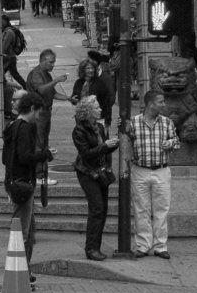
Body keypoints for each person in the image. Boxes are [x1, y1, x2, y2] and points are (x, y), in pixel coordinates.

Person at [123, 89, 178, 259]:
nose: (163, 105)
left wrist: (170, 143)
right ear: (150, 104)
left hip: (161, 170)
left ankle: (161, 245)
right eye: (160, 102)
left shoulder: (167, 122)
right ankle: (143, 244)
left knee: (161, 209)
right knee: (141, 209)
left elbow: (176, 142)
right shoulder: (133, 123)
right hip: (140, 170)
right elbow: (125, 141)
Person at [71, 94, 119, 261]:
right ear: (88, 111)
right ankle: (91, 248)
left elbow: (104, 149)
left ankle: (95, 247)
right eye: (97, 108)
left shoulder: (99, 127)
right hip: (88, 172)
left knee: (102, 209)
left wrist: (114, 142)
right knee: (97, 208)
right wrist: (106, 146)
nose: (100, 110)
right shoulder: (79, 130)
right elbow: (86, 155)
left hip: (101, 171)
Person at [3, 96, 49, 269]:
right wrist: (44, 154)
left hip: (13, 181)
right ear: (31, 108)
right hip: (24, 182)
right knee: (23, 232)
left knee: (28, 231)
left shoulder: (12, 127)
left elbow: (5, 158)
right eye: (38, 112)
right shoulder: (27, 128)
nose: (38, 116)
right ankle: (19, 272)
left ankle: (24, 271)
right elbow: (25, 157)